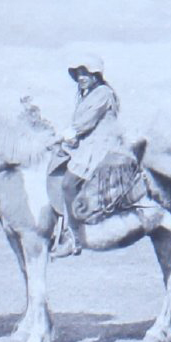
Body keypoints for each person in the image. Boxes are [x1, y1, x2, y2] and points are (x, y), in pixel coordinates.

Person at [51, 54, 123, 259]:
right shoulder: (87, 95)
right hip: (87, 145)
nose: (81, 77)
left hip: (99, 147)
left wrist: (67, 134)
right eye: (79, 74)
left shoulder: (103, 93)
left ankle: (75, 238)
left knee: (68, 184)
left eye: (86, 73)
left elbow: (85, 123)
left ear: (96, 75)